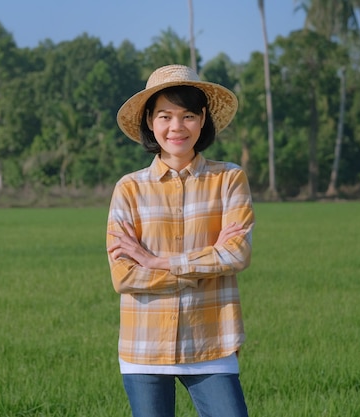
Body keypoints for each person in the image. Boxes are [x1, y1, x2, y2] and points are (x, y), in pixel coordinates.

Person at [106, 64, 255, 417]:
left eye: (188, 115)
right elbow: (124, 277)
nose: (177, 127)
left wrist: (157, 261)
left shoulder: (229, 179)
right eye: (165, 116)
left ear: (203, 119)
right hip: (144, 344)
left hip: (211, 341)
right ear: (149, 122)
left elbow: (237, 255)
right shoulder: (129, 188)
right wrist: (207, 263)